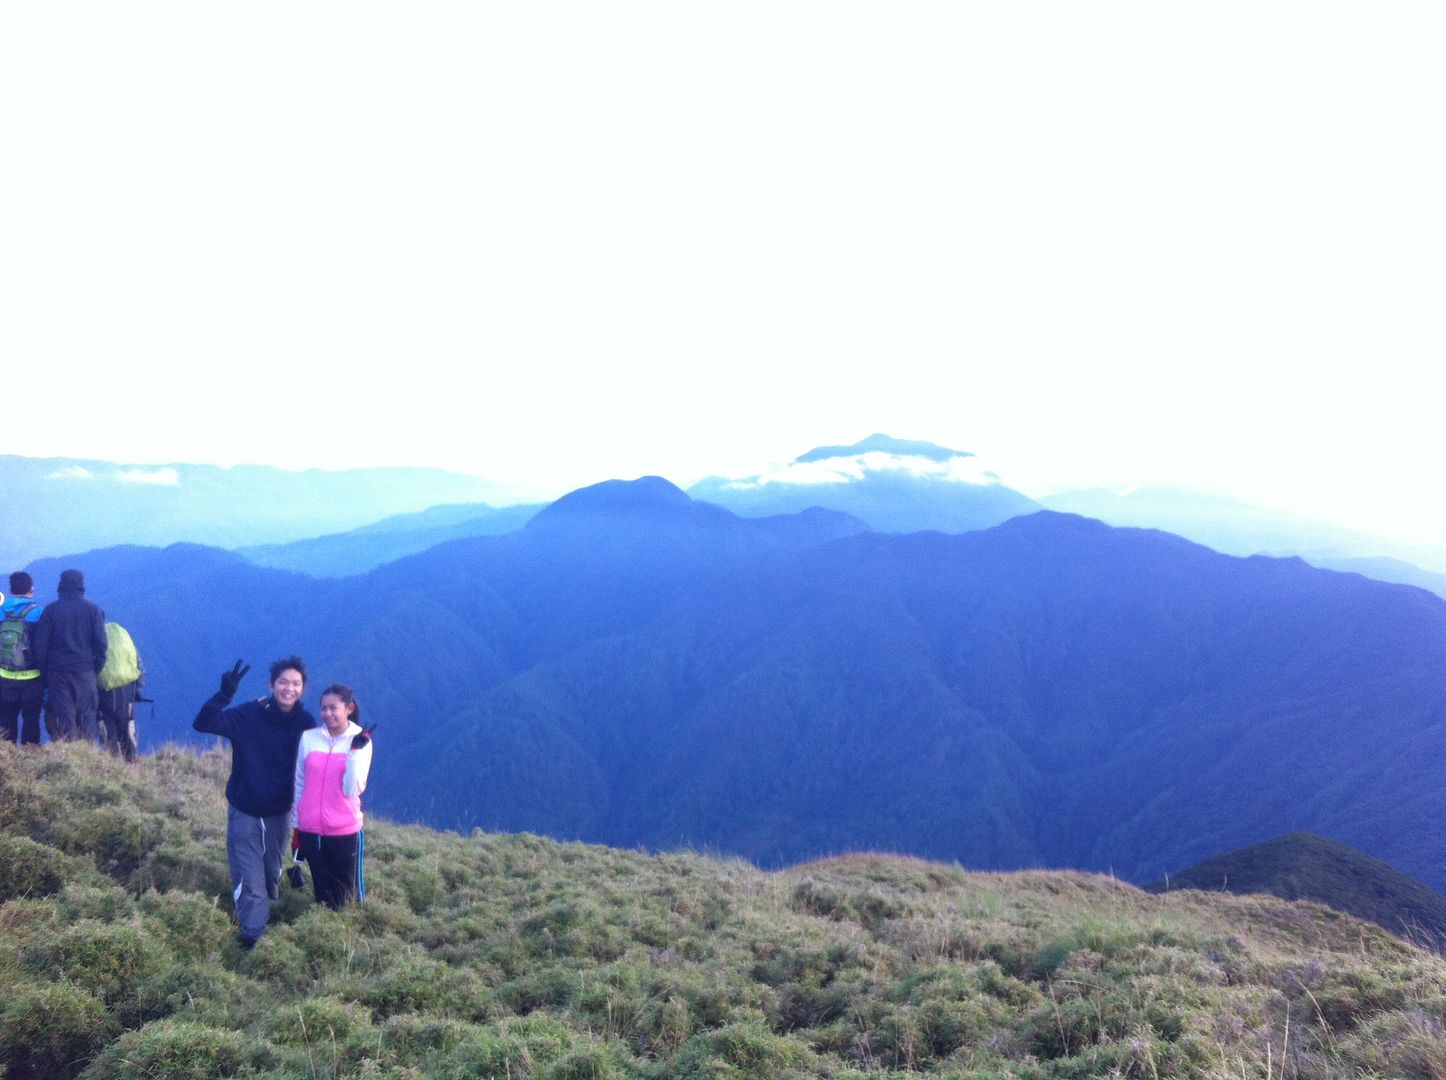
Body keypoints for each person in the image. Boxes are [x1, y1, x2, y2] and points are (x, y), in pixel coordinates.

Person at [194, 656, 317, 949]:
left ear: (303, 688)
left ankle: (261, 917)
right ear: (271, 684)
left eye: (295, 683)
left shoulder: (306, 724)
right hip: (245, 809)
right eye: (283, 682)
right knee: (249, 876)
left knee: (269, 874)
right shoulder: (250, 714)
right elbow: (204, 723)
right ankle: (252, 936)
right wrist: (224, 694)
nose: (289, 688)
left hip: (279, 813)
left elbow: (322, 764)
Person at [291, 684, 374, 909]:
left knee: (348, 894)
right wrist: (296, 825)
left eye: (333, 708)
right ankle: (324, 936)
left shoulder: (360, 739)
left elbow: (352, 790)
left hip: (344, 830)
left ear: (349, 708)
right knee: (322, 891)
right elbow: (300, 781)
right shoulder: (309, 738)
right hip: (310, 830)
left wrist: (355, 752)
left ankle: (351, 938)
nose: (327, 713)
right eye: (323, 708)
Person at [31, 569, 107, 742]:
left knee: (65, 719)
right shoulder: (93, 610)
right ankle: (87, 758)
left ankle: (69, 758)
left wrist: (46, 672)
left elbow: (40, 645)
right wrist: (95, 669)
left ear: (61, 586)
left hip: (58, 674)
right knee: (87, 717)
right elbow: (101, 645)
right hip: (86, 672)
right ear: (81, 585)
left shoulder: (50, 610)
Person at [0, 571, 45, 746]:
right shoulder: (40, 613)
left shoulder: (2, 612)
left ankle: (6, 761)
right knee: (31, 722)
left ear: (11, 589)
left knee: (5, 723)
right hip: (32, 679)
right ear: (31, 589)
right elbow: (44, 646)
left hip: (4, 677)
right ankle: (31, 759)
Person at [97, 621, 144, 761]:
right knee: (127, 728)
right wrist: (138, 690)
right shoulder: (123, 637)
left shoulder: (93, 640)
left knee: (107, 729)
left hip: (104, 694)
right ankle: (131, 762)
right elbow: (139, 665)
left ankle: (111, 765)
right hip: (126, 691)